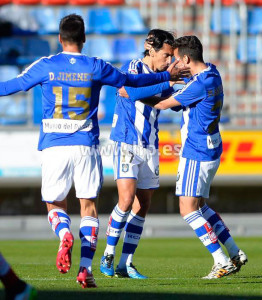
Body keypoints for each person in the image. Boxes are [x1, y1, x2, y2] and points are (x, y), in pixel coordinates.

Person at [0, 15, 187, 288]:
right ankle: (86, 270)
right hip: (86, 144)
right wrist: (166, 76)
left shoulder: (46, 65)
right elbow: (130, 81)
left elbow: (12, 86)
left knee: (55, 205)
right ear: (84, 39)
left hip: (54, 145)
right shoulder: (96, 66)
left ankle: (64, 233)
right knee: (88, 208)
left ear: (60, 39)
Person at [120, 35, 248, 279]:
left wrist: (133, 93)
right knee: (200, 205)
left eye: (176, 60)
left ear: (186, 59)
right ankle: (233, 251)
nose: (172, 65)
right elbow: (185, 98)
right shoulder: (212, 72)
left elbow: (162, 104)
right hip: (211, 148)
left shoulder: (198, 84)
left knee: (187, 209)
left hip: (196, 151)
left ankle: (220, 260)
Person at [100, 29, 182, 279]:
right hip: (126, 140)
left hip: (150, 144)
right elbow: (129, 87)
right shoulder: (134, 67)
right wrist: (168, 80)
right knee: (126, 199)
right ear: (151, 50)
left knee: (143, 204)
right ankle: (108, 255)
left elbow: (167, 98)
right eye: (166, 55)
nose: (168, 61)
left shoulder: (161, 75)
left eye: (171, 57)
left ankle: (126, 262)